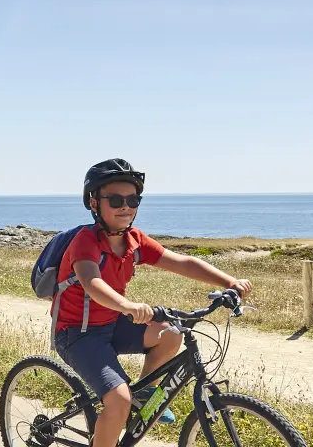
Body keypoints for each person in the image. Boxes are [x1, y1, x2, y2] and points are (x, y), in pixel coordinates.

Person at [52, 159, 254, 447]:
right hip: (76, 333)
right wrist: (128, 306)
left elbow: (182, 262)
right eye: (116, 199)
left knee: (171, 331)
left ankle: (144, 392)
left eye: (133, 199)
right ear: (94, 203)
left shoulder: (134, 240)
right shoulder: (86, 241)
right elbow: (92, 284)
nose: (126, 205)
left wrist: (229, 282)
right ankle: (126, 405)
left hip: (111, 323)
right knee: (118, 400)